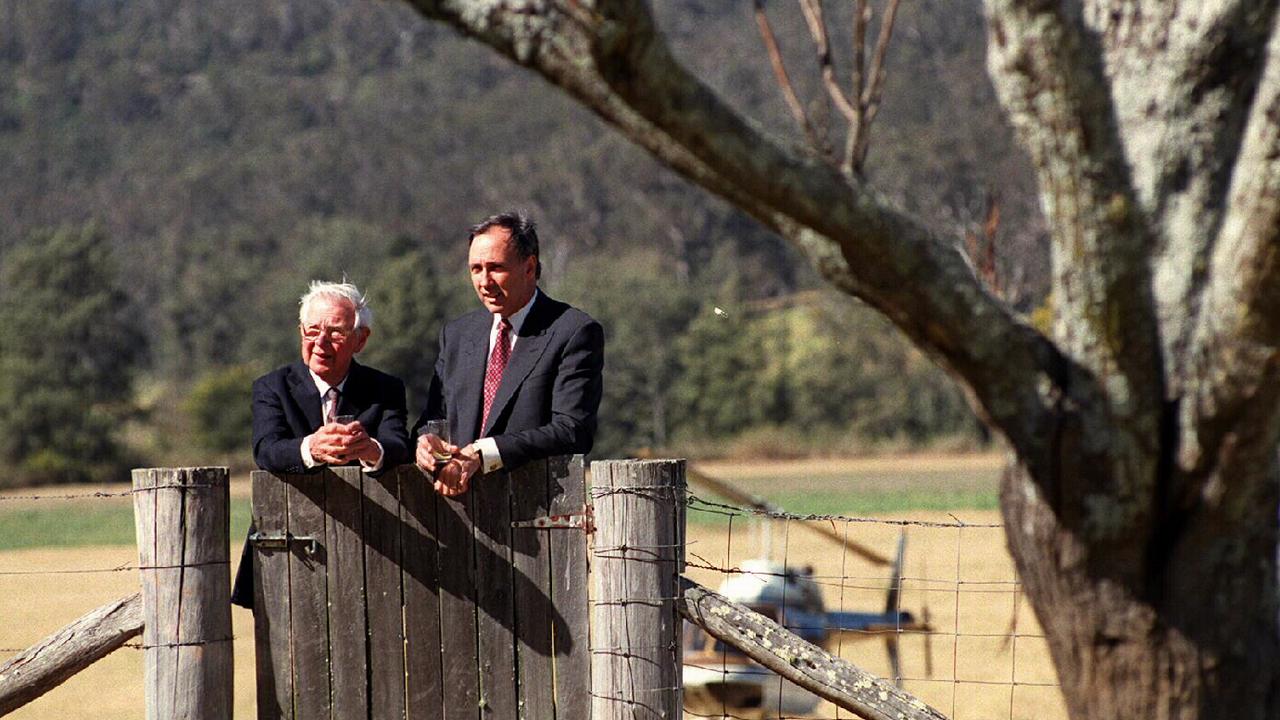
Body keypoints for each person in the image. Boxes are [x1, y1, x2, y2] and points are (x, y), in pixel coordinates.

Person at [230, 280, 411, 609]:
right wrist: (311, 449)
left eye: (336, 333)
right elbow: (267, 450)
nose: (321, 343)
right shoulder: (272, 387)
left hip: (368, 551)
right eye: (312, 331)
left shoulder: (385, 389)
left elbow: (398, 444)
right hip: (288, 550)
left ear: (360, 339)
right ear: (301, 331)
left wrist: (371, 451)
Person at [413, 212, 604, 496]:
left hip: (533, 514)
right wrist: (424, 443)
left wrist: (484, 453)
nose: (484, 281)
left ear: (529, 267)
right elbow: (433, 419)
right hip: (455, 514)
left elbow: (572, 430)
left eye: (496, 268)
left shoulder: (573, 331)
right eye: (475, 269)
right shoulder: (456, 335)